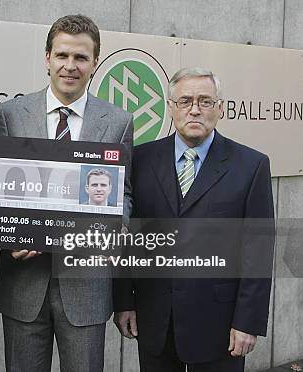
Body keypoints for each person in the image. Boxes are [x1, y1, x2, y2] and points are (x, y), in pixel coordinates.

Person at [0, 14, 133, 372]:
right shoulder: (11, 114)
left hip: (86, 287)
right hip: (23, 284)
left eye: (81, 58)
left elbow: (124, 194)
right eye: (62, 55)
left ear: (95, 63)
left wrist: (109, 230)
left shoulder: (118, 122)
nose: (70, 66)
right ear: (47, 58)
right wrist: (9, 237)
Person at [113, 67, 275, 372]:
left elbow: (258, 251)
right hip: (154, 318)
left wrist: (248, 322)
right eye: (185, 101)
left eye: (205, 101)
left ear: (221, 108)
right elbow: (128, 240)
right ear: (171, 107)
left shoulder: (251, 166)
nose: (195, 110)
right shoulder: (141, 160)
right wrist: (124, 302)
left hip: (221, 325)